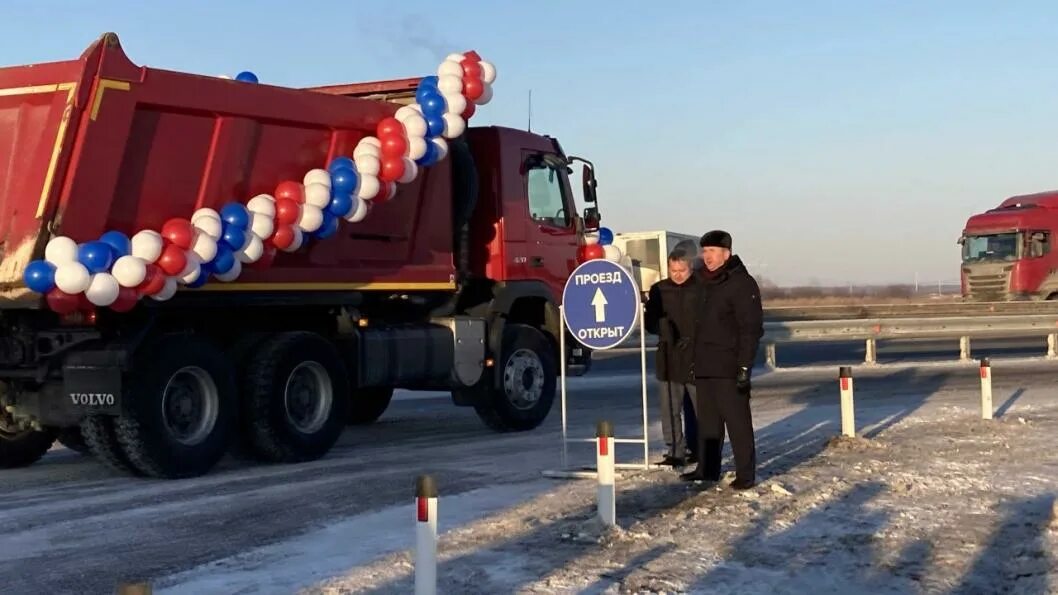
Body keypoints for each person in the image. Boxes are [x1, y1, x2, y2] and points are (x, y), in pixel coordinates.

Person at [681, 230, 764, 489]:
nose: (707, 257)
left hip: (729, 366)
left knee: (737, 423)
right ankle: (707, 469)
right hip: (704, 364)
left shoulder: (741, 283)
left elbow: (750, 329)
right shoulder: (701, 282)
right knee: (708, 424)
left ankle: (746, 475)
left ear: (726, 254)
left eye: (712, 252)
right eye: (704, 251)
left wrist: (743, 366)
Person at [644, 247, 699, 467]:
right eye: (673, 270)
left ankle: (702, 450)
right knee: (670, 409)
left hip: (697, 357)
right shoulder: (659, 290)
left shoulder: (702, 289)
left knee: (701, 411)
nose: (677, 274)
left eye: (682, 270)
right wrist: (662, 327)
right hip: (669, 357)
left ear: (690, 267)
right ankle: (676, 451)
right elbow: (649, 322)